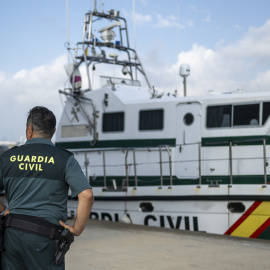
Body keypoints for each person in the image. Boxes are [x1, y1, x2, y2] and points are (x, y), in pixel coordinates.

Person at [0, 106, 94, 270]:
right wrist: (77, 229)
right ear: (53, 131)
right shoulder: (64, 158)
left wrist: (4, 210)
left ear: (29, 130)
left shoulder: (8, 157)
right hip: (45, 238)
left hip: (12, 235)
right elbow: (86, 195)